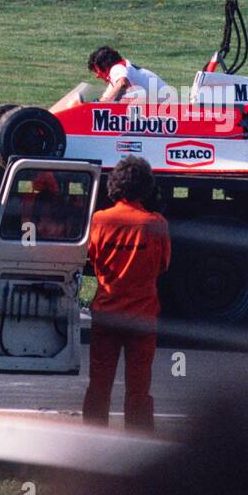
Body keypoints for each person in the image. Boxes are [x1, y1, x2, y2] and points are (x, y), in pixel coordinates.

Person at [82, 155, 170, 432]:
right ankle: (138, 439)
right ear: (146, 187)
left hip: (107, 314)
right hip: (142, 317)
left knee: (99, 382)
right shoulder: (155, 223)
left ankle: (93, 436)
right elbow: (163, 266)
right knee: (139, 386)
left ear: (115, 186)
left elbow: (91, 258)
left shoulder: (99, 219)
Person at [87, 46, 173, 104]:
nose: (97, 75)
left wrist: (103, 105)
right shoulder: (119, 74)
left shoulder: (117, 68)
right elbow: (104, 100)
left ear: (105, 66)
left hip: (166, 112)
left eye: (97, 71)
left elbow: (122, 82)